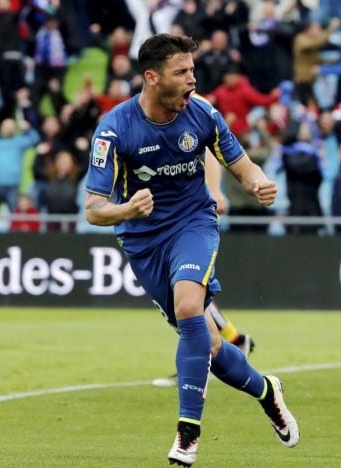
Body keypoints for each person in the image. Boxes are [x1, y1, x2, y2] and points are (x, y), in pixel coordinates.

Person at [84, 34, 298, 466]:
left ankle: (187, 434)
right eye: (182, 72)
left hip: (193, 226)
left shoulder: (202, 115)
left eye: (192, 71)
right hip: (144, 242)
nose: (192, 81)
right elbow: (93, 209)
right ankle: (266, 391)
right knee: (212, 347)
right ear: (151, 77)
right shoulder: (114, 128)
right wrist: (125, 209)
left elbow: (242, 164)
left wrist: (257, 182)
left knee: (188, 308)